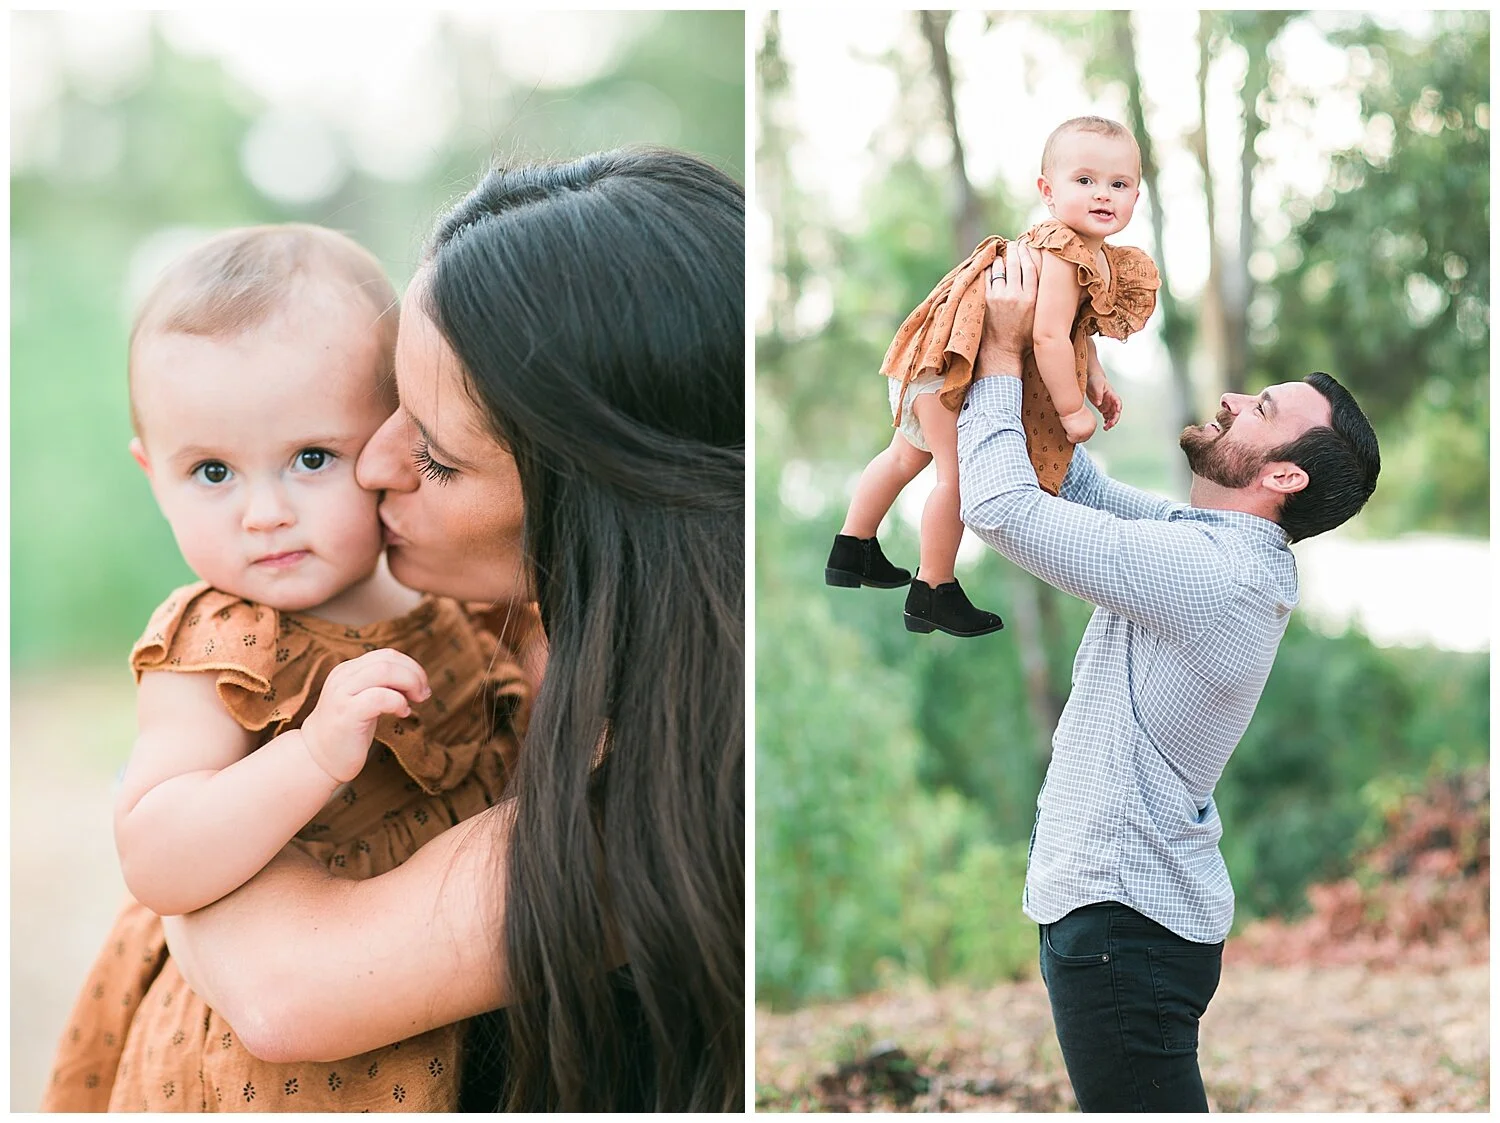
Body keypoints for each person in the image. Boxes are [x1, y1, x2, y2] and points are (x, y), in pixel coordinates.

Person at [151, 148, 744, 1112]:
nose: (371, 465)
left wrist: (183, 863)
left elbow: (282, 987)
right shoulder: (437, 623)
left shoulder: (675, 780)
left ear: (599, 506)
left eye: (433, 454)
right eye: (388, 403)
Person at [43, 224, 528, 1112]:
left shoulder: (457, 604)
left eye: (312, 458)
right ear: (153, 476)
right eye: (213, 471)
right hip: (255, 1074)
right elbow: (154, 853)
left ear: (390, 436)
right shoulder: (218, 641)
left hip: (427, 1003)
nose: (264, 513)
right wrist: (308, 756)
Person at [959, 239, 1379, 1112]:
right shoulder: (1221, 549)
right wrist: (1056, 353)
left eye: (1259, 408)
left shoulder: (1215, 575)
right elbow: (1079, 488)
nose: (1231, 399)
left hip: (1126, 925)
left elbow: (999, 506)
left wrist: (997, 355)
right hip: (1124, 917)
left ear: (1282, 474)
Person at [825, 116, 1160, 638]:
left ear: (1135, 196)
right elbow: (1048, 338)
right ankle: (932, 590)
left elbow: (1072, 330)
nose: (1102, 195)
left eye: (1118, 185)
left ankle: (851, 548)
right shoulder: (1063, 252)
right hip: (951, 369)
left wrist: (1095, 379)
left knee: (903, 456)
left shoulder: (1073, 250)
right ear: (1048, 191)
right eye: (1085, 180)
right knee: (954, 480)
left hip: (934, 360)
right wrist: (1072, 411)